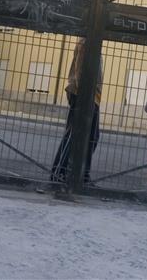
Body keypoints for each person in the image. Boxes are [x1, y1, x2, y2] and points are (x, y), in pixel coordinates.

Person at [51, 38, 102, 185]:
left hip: (92, 96)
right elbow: (80, 71)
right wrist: (84, 94)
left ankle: (81, 174)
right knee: (74, 135)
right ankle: (60, 173)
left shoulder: (93, 42)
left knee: (92, 136)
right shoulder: (86, 42)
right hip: (84, 95)